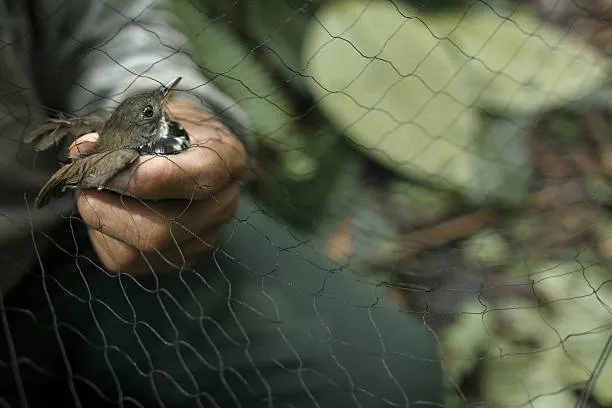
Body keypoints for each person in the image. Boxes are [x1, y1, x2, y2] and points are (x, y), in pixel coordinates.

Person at [0, 1, 443, 407]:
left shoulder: (138, 149)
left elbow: (105, 21)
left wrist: (189, 113)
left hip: (68, 241)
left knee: (383, 376)